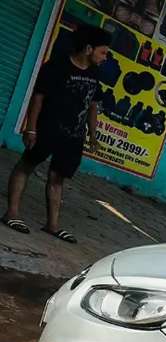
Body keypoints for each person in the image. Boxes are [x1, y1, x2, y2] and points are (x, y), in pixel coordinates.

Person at [2, 25, 110, 244]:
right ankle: (11, 213)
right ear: (88, 48)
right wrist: (31, 127)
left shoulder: (95, 73)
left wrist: (93, 135)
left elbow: (92, 106)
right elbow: (38, 98)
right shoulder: (56, 66)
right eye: (103, 52)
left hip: (74, 136)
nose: (105, 57)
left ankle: (52, 225)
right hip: (48, 129)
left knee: (58, 177)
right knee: (26, 165)